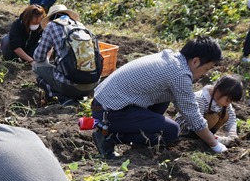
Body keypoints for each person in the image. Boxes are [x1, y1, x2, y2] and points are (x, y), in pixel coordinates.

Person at [91, 36, 227, 159]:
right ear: (196, 61)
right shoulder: (180, 74)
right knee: (171, 132)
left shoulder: (172, 59)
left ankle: (127, 130)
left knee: (165, 97)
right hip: (108, 112)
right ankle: (111, 137)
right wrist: (214, 144)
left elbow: (186, 107)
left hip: (105, 103)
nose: (205, 74)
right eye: (207, 68)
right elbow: (191, 114)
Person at [32, 5, 98, 102]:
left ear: (51, 18)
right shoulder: (82, 27)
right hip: (93, 84)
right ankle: (81, 97)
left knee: (37, 65)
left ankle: (62, 98)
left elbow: (38, 57)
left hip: (68, 86)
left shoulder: (51, 26)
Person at [176, 75, 243, 146]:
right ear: (218, 91)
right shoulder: (200, 99)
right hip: (186, 128)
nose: (228, 104)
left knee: (225, 115)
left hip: (202, 128)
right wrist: (218, 140)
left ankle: (208, 137)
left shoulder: (223, 101)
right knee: (214, 117)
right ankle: (207, 138)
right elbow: (196, 123)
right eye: (227, 100)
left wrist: (233, 134)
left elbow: (231, 117)